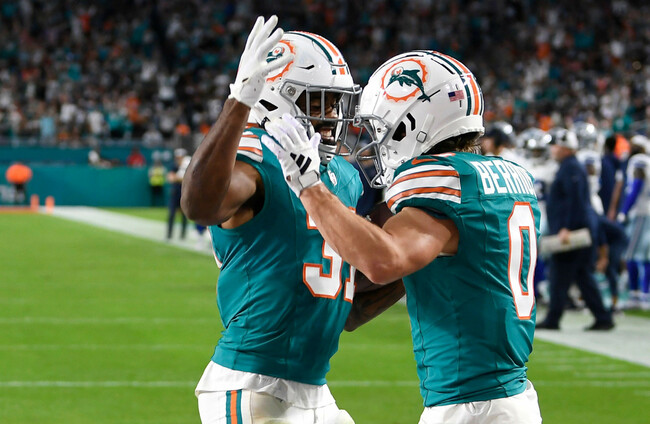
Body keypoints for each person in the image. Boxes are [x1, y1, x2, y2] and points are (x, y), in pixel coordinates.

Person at [267, 51, 542, 424]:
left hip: (474, 407)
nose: (376, 141)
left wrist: (309, 186)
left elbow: (384, 262)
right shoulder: (502, 177)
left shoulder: (444, 182)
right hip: (506, 397)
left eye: (381, 128)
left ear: (412, 123)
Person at [181, 16, 368, 424]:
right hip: (253, 384)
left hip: (314, 388)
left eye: (335, 102)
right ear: (276, 98)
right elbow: (200, 206)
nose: (332, 115)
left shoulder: (343, 175)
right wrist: (239, 102)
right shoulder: (256, 157)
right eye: (318, 103)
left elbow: (348, 303)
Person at [536, 128, 615, 330]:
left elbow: (575, 200)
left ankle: (553, 319)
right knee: (582, 276)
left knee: (559, 275)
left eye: (555, 145)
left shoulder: (571, 167)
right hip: (578, 229)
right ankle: (603, 317)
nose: (552, 149)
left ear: (565, 147)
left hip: (573, 231)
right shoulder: (569, 166)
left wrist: (566, 227)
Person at [617, 135, 650, 310]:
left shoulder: (639, 161)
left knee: (630, 254)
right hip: (646, 212)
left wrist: (624, 210)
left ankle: (635, 294)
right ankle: (644, 294)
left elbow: (636, 186)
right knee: (645, 256)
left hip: (640, 213)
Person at [166, 148, 188, 240]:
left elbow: (187, 179)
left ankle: (183, 235)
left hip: (184, 193)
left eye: (180, 157)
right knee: (171, 214)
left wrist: (177, 178)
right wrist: (180, 178)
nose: (179, 159)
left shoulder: (187, 165)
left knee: (184, 215)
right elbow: (170, 178)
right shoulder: (173, 165)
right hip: (175, 193)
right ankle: (169, 234)